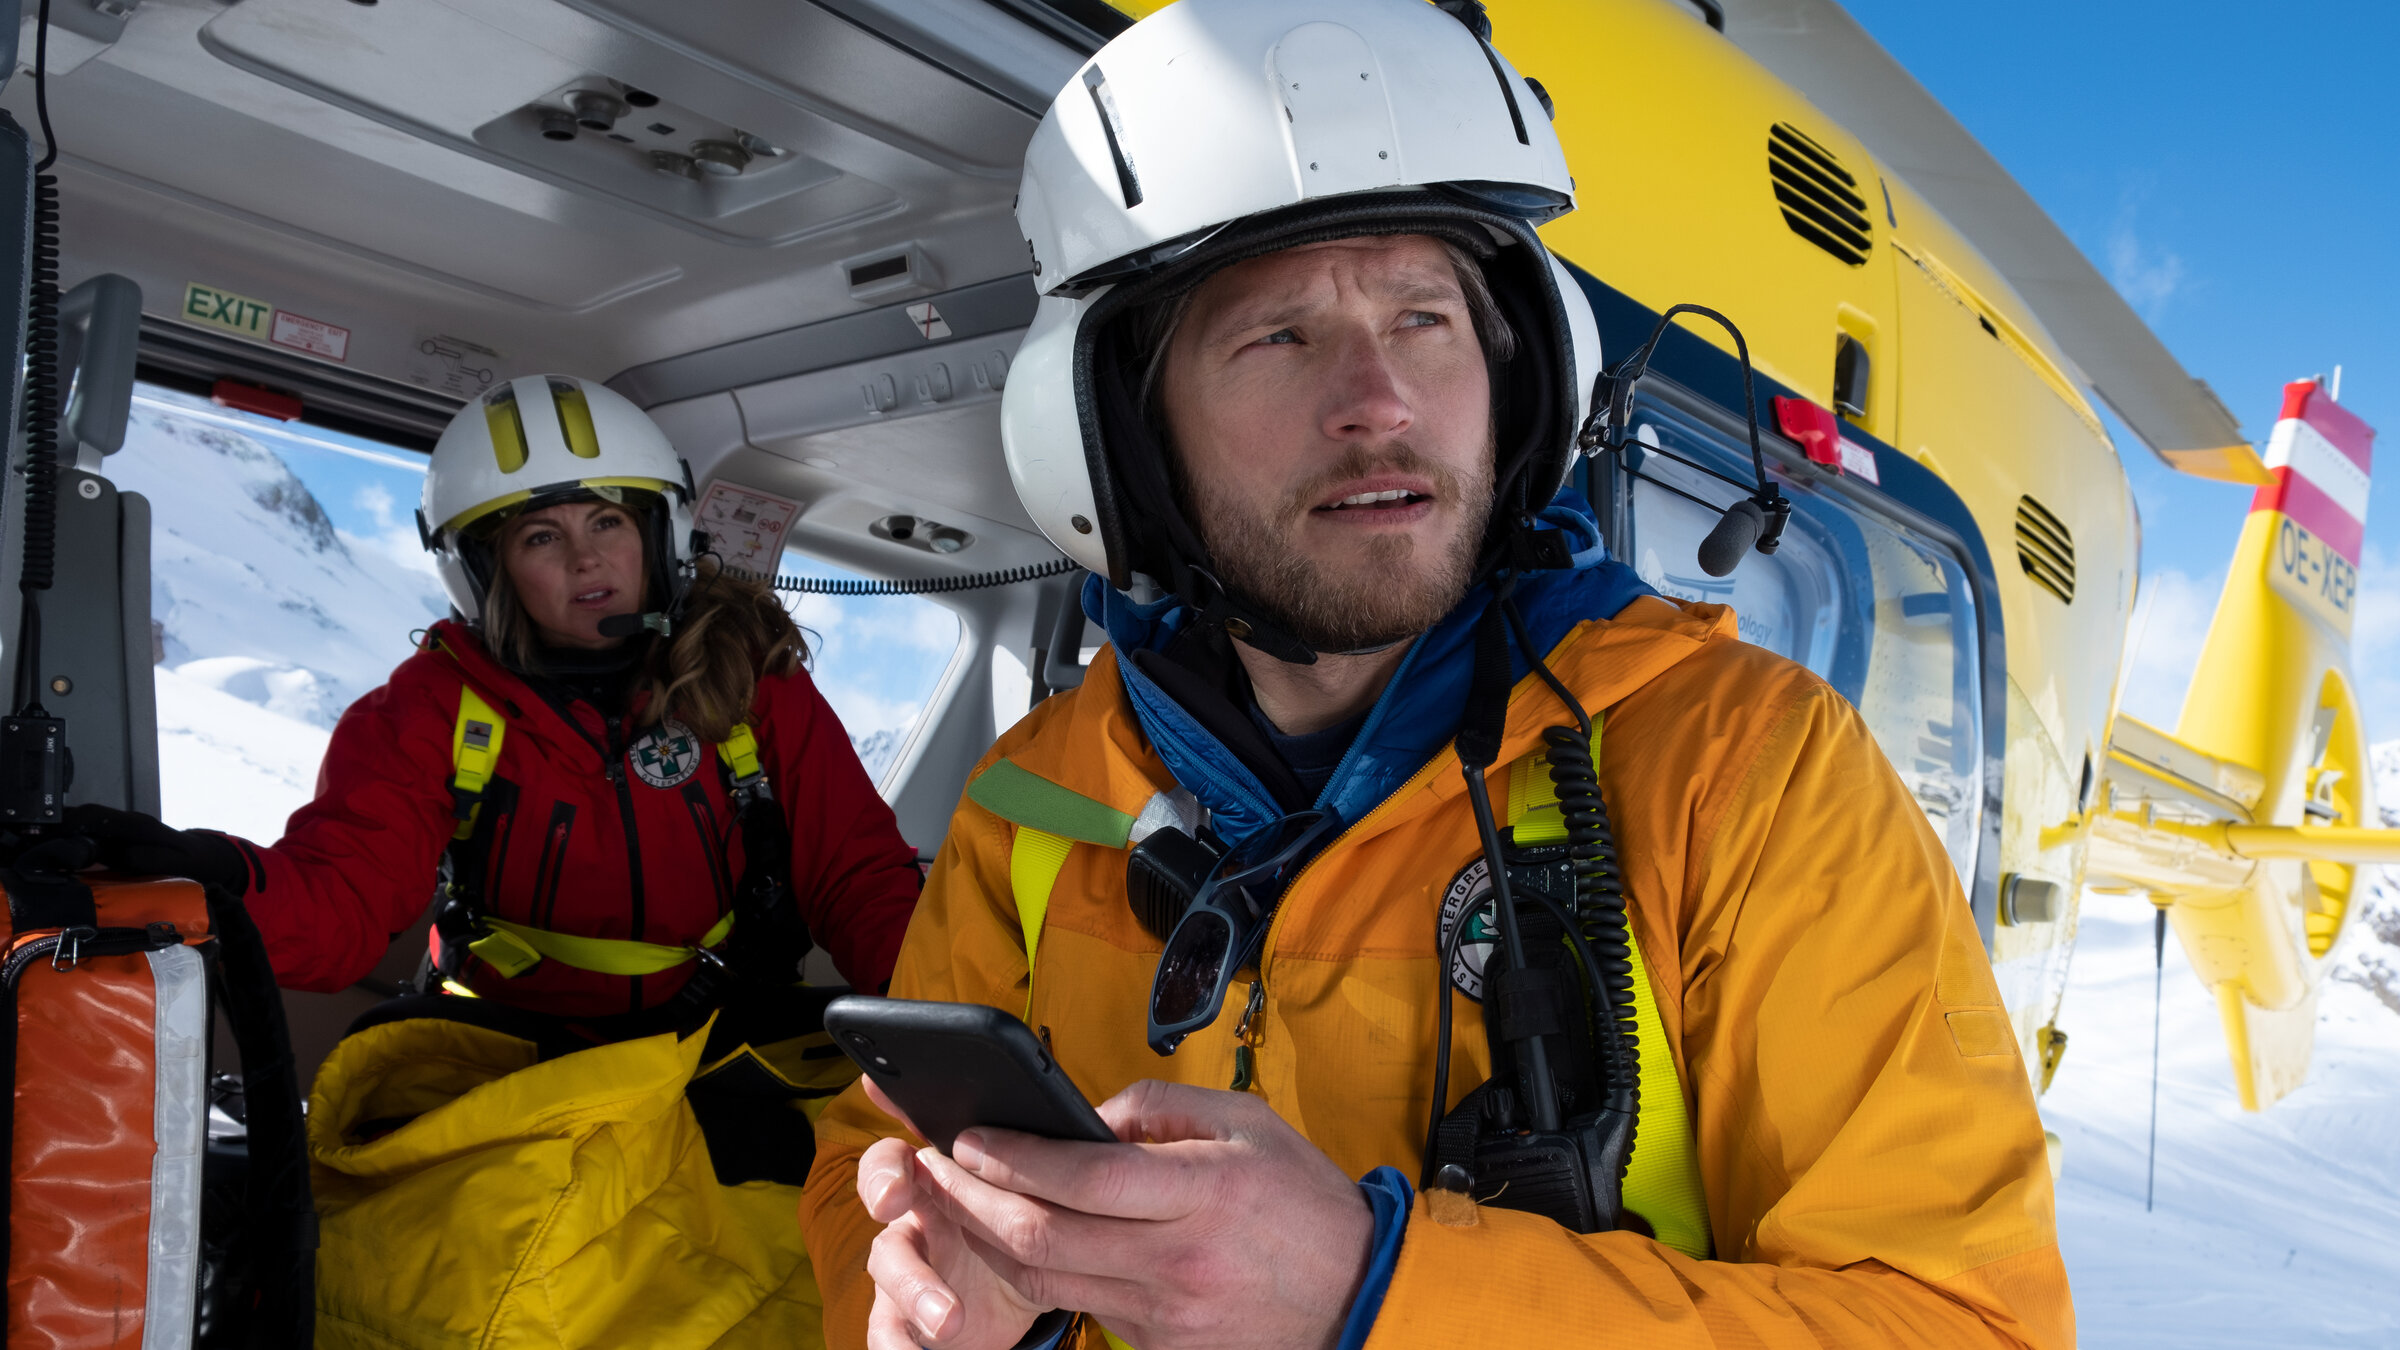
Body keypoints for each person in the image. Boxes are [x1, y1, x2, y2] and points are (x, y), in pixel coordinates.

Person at [797, 1, 2072, 1347]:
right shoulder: (1033, 799)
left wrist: (1380, 1293)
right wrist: (918, 1290)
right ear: (1119, 440)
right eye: (1278, 337)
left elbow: (1967, 1322)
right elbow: (863, 1164)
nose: (1380, 400)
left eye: (1424, 319)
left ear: (1522, 381)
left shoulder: (1751, 774)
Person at [73, 375, 921, 1347]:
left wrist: (960, 1028)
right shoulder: (431, 710)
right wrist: (203, 887)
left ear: (658, 530)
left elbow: (861, 880)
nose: (588, 559)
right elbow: (342, 900)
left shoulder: (756, 692)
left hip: (716, 1063)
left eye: (609, 521)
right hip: (513, 1070)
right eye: (541, 538)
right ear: (486, 569)